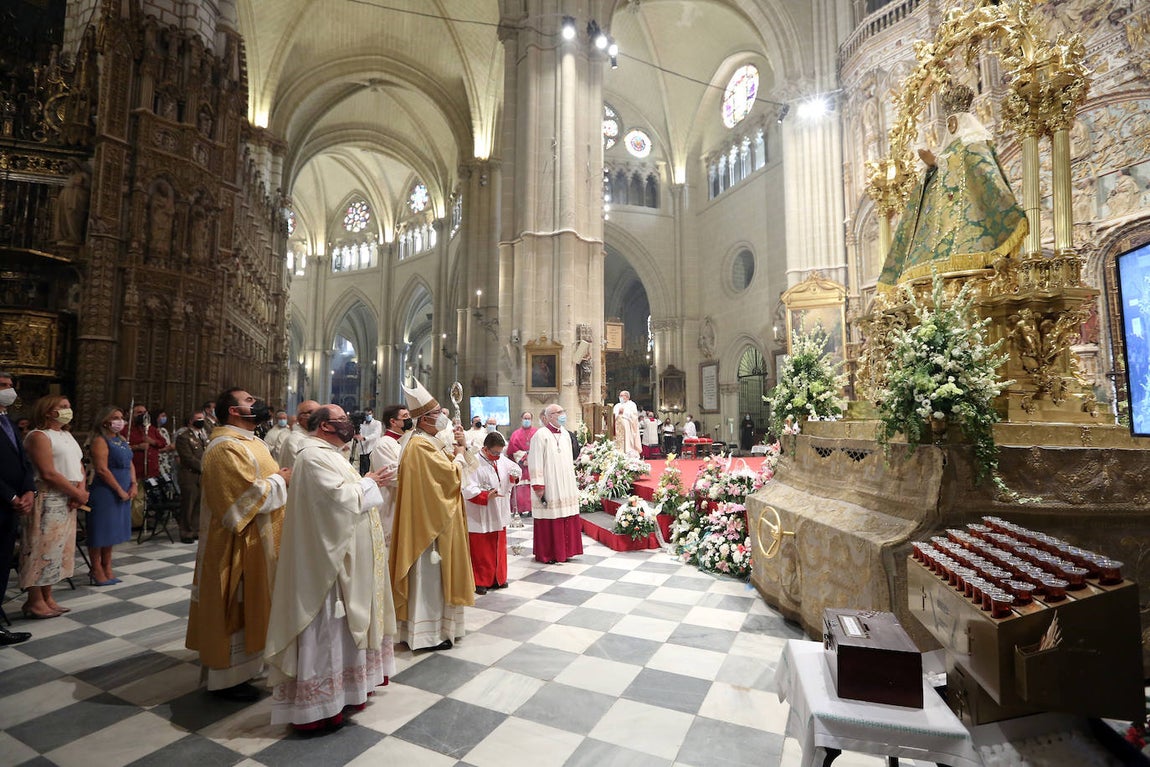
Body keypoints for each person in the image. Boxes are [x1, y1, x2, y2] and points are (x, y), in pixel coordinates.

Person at [265, 405, 396, 732]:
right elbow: (337, 503)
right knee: (327, 632)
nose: (349, 424)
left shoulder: (330, 453)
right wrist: (369, 484)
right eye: (343, 420)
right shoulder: (312, 457)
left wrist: (366, 481)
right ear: (325, 425)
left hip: (344, 560)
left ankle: (343, 694)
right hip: (328, 568)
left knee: (342, 634)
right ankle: (319, 707)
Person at [186, 388, 290, 702]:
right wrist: (281, 480)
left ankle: (249, 668)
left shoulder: (253, 441)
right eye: (248, 400)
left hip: (261, 541)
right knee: (233, 605)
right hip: (235, 544)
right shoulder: (223, 447)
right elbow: (238, 502)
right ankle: (226, 679)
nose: (256, 402)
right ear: (232, 410)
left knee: (256, 607)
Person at [878, 83, 1028, 290]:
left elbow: (986, 176)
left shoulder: (975, 144)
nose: (950, 127)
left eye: (953, 121)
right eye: (948, 122)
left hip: (973, 224)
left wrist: (940, 162)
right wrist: (933, 166)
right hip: (943, 231)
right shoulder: (949, 151)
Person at [389, 377, 474, 652]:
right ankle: (429, 633)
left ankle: (442, 628)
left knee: (437, 578)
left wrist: (459, 448)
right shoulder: (419, 446)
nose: (442, 420)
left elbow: (447, 468)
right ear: (424, 419)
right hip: (429, 531)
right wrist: (459, 454)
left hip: (434, 519)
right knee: (430, 578)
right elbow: (448, 478)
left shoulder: (428, 441)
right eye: (438, 415)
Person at [21, 395, 86, 618]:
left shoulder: (66, 435)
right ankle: (34, 600)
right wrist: (77, 492)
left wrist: (81, 490)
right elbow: (48, 472)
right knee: (40, 548)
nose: (69, 409)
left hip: (68, 498)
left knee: (58, 550)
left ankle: (48, 596)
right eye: (64, 407)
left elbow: (79, 465)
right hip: (48, 497)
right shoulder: (38, 436)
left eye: (69, 406)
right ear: (48, 411)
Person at [0, 372, 34, 644]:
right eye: (2, 386)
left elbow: (23, 462)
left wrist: (29, 490)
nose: (8, 391)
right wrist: (11, 496)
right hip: (3, 502)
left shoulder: (9, 423)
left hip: (11, 508)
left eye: (10, 386)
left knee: (1, 566)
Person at [462, 431, 520, 594]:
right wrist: (486, 495)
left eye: (499, 452)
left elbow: (514, 469)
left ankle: (498, 578)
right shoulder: (474, 462)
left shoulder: (500, 459)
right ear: (485, 448)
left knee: (498, 547)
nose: (497, 456)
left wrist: (514, 476)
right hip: (480, 513)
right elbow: (467, 486)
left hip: (498, 509)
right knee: (481, 550)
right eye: (494, 452)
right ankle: (480, 581)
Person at [528, 404, 583, 564]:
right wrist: (538, 485)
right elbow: (535, 461)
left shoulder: (565, 434)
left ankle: (567, 551)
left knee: (566, 513)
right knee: (550, 515)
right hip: (550, 482)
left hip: (565, 482)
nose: (562, 415)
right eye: (559, 412)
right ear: (549, 416)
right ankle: (549, 553)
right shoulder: (540, 435)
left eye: (563, 412)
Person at [86, 407, 135, 585]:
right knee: (100, 530)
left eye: (121, 417)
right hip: (106, 490)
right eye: (115, 418)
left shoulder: (121, 439)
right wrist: (119, 490)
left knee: (112, 531)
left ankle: (107, 565)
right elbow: (102, 469)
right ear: (105, 420)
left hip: (123, 486)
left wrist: (134, 484)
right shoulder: (100, 440)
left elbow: (130, 462)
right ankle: (96, 568)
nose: (120, 421)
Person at [369, 404, 411, 549]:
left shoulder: (409, 441)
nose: (409, 420)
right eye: (405, 417)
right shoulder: (383, 444)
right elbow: (390, 476)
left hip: (407, 501)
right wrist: (419, 471)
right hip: (390, 503)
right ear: (393, 421)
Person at [175, 411, 209, 543]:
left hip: (201, 475)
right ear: (190, 421)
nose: (201, 421)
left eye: (202, 418)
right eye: (198, 419)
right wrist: (203, 467)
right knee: (188, 503)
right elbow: (188, 457)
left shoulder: (202, 436)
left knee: (198, 503)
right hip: (189, 474)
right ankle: (186, 532)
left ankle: (195, 529)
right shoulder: (183, 437)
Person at [125, 404, 159, 527]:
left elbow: (162, 443)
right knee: (131, 497)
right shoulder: (126, 430)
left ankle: (137, 522)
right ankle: (127, 522)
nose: (142, 415)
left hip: (148, 469)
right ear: (131, 414)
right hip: (134, 468)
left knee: (141, 498)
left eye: (144, 412)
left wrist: (152, 441)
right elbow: (123, 447)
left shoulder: (151, 429)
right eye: (139, 412)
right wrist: (137, 447)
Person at [506, 410, 537, 517]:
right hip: (520, 465)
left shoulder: (536, 433)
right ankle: (519, 509)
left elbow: (539, 448)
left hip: (533, 465)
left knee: (531, 488)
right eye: (525, 418)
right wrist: (523, 459)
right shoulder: (516, 434)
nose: (527, 420)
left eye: (529, 418)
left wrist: (531, 459)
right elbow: (512, 449)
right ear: (521, 419)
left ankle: (532, 509)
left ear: (532, 420)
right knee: (520, 488)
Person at [276, 399, 319, 469]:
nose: (319, 417)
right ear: (301, 417)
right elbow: (306, 469)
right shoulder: (294, 440)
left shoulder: (313, 436)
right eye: (313, 413)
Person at [612, 390, 641, 459]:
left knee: (627, 440)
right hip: (617, 424)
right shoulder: (617, 405)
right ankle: (618, 453)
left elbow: (634, 415)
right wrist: (618, 413)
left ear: (627, 397)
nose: (620, 397)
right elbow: (613, 415)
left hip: (627, 424)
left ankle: (628, 452)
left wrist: (624, 413)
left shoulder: (631, 404)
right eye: (620, 396)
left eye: (622, 396)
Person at [153, 408, 177, 480]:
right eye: (162, 416)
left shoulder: (164, 430)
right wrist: (166, 448)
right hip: (157, 462)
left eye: (165, 416)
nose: (164, 418)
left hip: (166, 461)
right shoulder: (152, 431)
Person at [357, 407, 382, 475]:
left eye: (369, 414)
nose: (368, 416)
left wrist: (365, 438)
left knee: (371, 468)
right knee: (362, 469)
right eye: (366, 414)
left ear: (372, 414)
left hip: (372, 448)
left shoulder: (377, 423)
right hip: (363, 449)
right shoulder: (362, 424)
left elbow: (376, 434)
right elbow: (359, 433)